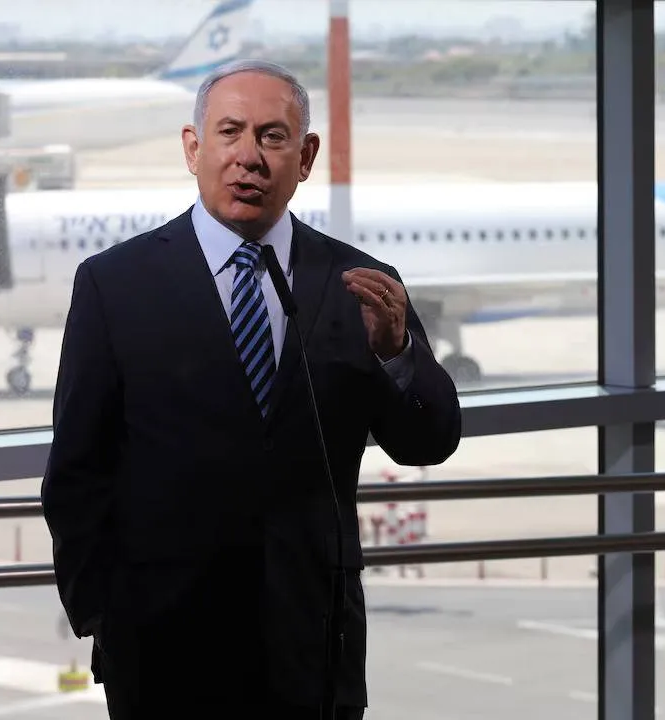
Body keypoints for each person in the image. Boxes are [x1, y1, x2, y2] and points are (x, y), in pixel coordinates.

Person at [40, 58, 462, 718]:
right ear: (193, 148)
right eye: (230, 132)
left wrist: (397, 353)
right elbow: (76, 473)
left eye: (272, 136)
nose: (249, 157)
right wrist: (104, 615)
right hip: (162, 648)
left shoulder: (359, 283)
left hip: (313, 645)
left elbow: (427, 443)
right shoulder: (114, 284)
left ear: (305, 157)